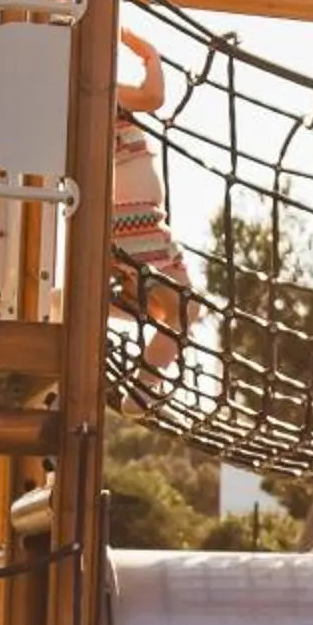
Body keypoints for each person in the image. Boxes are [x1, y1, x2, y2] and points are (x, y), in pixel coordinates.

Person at [108, 22, 195, 377]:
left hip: (125, 222)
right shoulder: (96, 87)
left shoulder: (83, 89)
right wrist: (140, 46)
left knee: (160, 308)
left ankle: (64, 302)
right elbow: (154, 95)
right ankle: (144, 387)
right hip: (133, 221)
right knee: (186, 308)